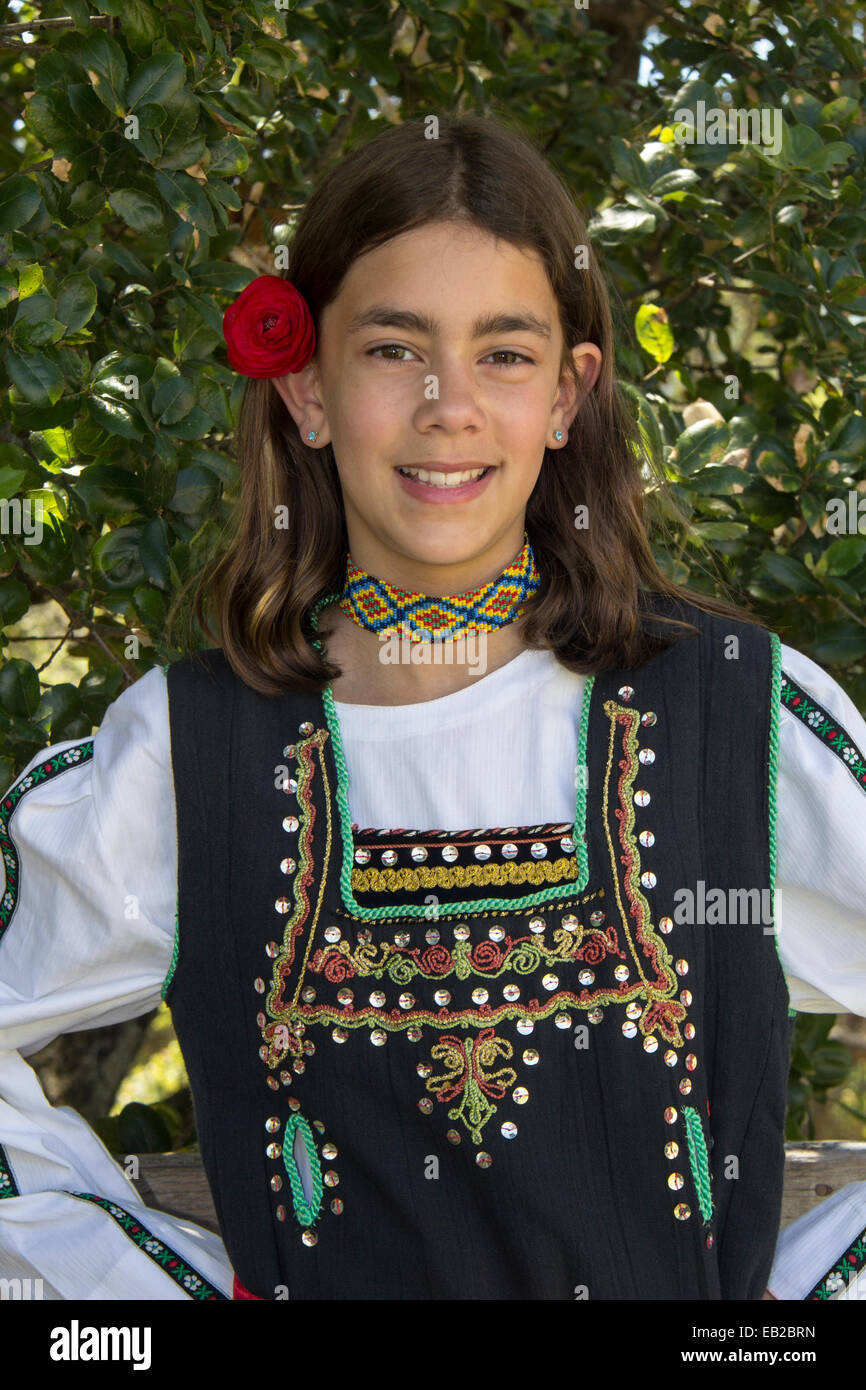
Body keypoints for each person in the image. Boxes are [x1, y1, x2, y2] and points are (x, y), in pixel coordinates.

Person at [1, 112, 864, 1301]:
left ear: (567, 395)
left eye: (502, 353)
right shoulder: (191, 754)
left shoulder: (731, 721)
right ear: (305, 387)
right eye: (392, 348)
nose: (447, 405)